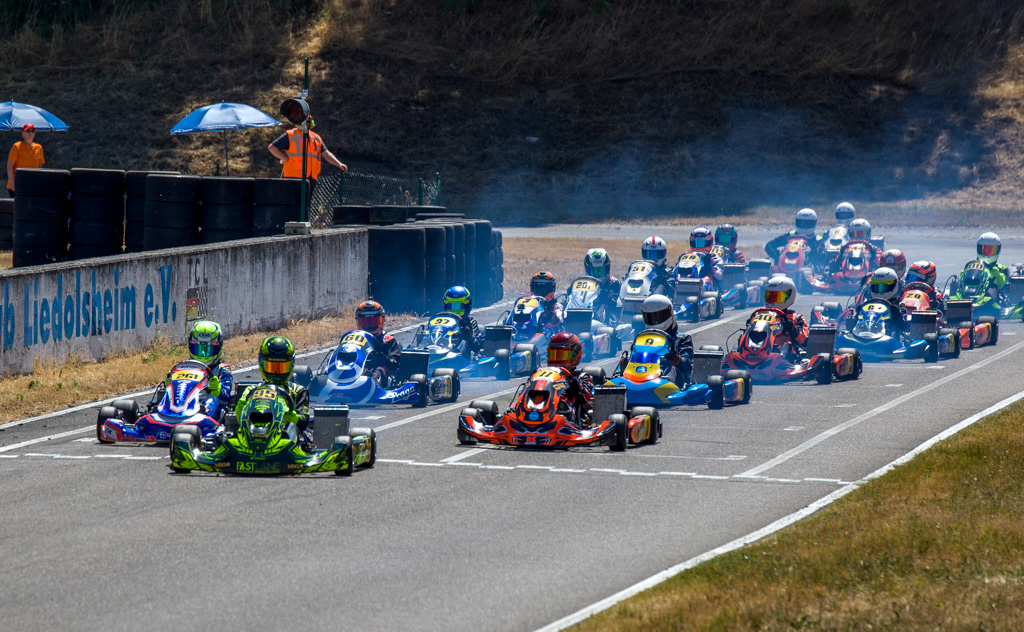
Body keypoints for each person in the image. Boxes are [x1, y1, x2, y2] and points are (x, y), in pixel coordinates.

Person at [234, 336, 312, 448]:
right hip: (251, 434)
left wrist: (293, 418)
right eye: (272, 367)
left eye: (282, 367)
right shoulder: (251, 390)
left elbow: (304, 422)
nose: (276, 373)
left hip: (285, 440)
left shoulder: (298, 391)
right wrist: (241, 409)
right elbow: (238, 420)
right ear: (262, 364)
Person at [153, 320, 233, 420]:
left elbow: (226, 399)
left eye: (209, 349)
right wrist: (169, 384)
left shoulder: (223, 370)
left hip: (205, 408)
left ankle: (202, 413)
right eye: (199, 348)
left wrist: (218, 390)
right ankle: (160, 412)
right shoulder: (183, 367)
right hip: (184, 403)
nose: (203, 354)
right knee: (163, 394)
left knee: (212, 399)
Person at [617, 294, 694, 388]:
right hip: (644, 374)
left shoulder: (682, 339)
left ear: (670, 314)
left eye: (659, 317)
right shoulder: (642, 339)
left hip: (673, 379)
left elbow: (687, 366)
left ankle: (666, 386)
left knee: (672, 368)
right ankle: (622, 382)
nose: (654, 321)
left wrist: (676, 359)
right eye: (650, 317)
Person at [268, 114, 348, 201]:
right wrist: (285, 158)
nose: (308, 124)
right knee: (291, 204)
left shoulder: (316, 137)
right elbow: (272, 147)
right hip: (293, 177)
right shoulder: (291, 134)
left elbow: (326, 153)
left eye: (309, 121)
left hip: (310, 178)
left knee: (306, 205)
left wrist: (338, 164)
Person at [754, 276, 808, 356]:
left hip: (783, 353)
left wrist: (792, 328)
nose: (772, 300)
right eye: (770, 296)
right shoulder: (759, 315)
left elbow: (803, 340)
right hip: (760, 347)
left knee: (787, 345)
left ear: (788, 296)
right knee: (738, 346)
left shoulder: (796, 318)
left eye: (776, 297)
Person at [545, 332, 593, 421]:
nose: (556, 359)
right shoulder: (544, 374)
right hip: (544, 404)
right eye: (553, 354)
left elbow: (586, 396)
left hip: (568, 414)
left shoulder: (582, 377)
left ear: (575, 354)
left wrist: (572, 380)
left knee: (563, 403)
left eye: (560, 355)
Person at [355, 300, 402, 387]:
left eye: (373, 321)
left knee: (379, 370)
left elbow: (394, 365)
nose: (369, 326)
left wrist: (381, 358)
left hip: (383, 375)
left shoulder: (388, 340)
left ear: (382, 320)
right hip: (359, 370)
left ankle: (368, 388)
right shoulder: (355, 340)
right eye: (365, 322)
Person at [582, 248, 621, 323]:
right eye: (594, 271)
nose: (598, 275)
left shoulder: (613, 283)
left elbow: (615, 306)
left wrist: (603, 295)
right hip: (585, 317)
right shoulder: (583, 283)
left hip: (607, 321)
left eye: (601, 271)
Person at [443, 285, 483, 356]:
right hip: (442, 352)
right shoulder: (441, 323)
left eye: (458, 306)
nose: (455, 310)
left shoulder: (470, 323)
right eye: (451, 306)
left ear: (467, 305)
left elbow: (476, 346)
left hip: (464, 357)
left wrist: (468, 336)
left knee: (464, 344)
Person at [7, 124, 44, 198]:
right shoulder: (17, 146)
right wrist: (12, 182)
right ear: (23, 133)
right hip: (17, 185)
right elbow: (10, 165)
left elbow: (40, 166)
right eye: (28, 131)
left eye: (32, 131)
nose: (30, 133)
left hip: (32, 186)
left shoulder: (38, 147)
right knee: (17, 208)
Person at [529, 271, 563, 335]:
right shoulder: (530, 305)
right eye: (538, 288)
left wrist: (549, 315)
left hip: (549, 336)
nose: (541, 291)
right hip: (529, 331)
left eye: (544, 288)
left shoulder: (557, 307)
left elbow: (558, 322)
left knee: (548, 327)